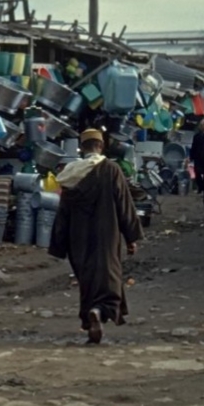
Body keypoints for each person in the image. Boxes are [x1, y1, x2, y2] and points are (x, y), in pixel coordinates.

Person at [49, 128, 144, 345]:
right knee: (109, 278)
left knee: (87, 280)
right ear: (101, 146)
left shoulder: (70, 173)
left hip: (78, 238)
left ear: (82, 148)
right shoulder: (111, 170)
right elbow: (124, 204)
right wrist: (131, 237)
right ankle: (99, 311)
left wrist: (59, 244)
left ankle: (91, 313)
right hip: (106, 235)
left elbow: (62, 212)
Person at [191, 118, 204, 194]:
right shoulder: (197, 136)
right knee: (197, 172)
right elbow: (194, 146)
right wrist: (191, 156)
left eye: (201, 125)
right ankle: (200, 187)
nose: (200, 127)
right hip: (198, 156)